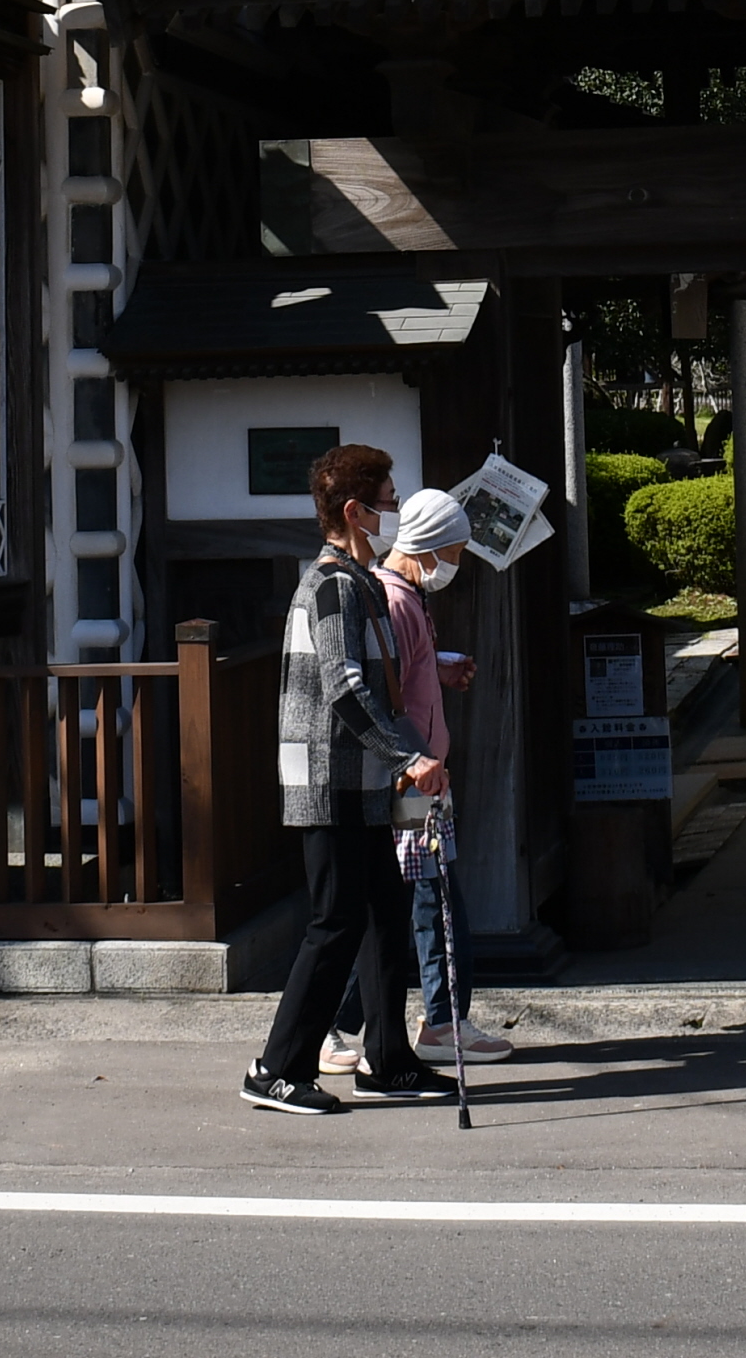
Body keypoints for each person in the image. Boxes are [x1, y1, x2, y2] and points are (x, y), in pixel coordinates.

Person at [244, 442, 443, 1114]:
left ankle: (388, 1060)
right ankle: (275, 1067)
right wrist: (409, 757)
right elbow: (347, 689)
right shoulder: (332, 586)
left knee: (385, 917)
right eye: (386, 502)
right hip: (329, 782)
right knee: (334, 923)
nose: (393, 511)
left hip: (357, 782)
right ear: (354, 511)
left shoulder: (360, 585)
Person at [321, 487, 513, 1075]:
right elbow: (382, 692)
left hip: (418, 776)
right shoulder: (394, 600)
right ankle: (431, 1021)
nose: (454, 563)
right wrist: (414, 762)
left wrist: (442, 663)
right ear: (427, 548)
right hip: (413, 780)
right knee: (428, 905)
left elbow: (404, 677)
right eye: (452, 551)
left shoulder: (403, 596)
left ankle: (358, 1023)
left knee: (409, 908)